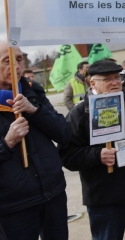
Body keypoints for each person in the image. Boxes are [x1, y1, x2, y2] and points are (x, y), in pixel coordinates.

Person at [59, 60, 125, 240]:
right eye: (108, 79)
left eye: (117, 78)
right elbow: (66, 155)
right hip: (105, 197)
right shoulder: (80, 113)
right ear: (93, 83)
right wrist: (97, 155)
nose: (115, 82)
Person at [0, 43, 71, 240]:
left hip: (52, 193)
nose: (15, 67)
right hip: (15, 205)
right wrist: (7, 143)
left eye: (19, 60)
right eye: (7, 61)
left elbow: (64, 134)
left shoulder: (32, 91)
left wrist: (35, 111)